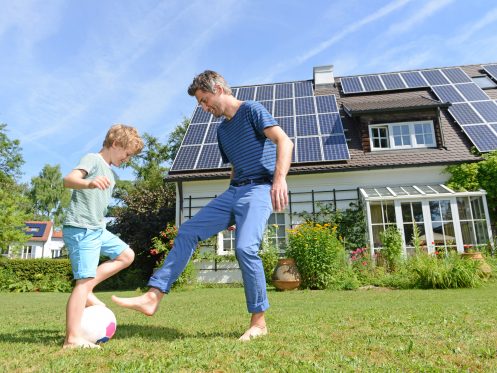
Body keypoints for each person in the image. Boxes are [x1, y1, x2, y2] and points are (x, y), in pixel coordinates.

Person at [112, 70, 293, 341]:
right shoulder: (222, 131)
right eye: (200, 103)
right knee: (187, 231)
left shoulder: (253, 110)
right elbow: (235, 168)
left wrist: (279, 181)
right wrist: (229, 209)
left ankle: (259, 322)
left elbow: (284, 141)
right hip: (235, 192)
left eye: (204, 100)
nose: (203, 107)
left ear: (219, 89)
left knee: (245, 248)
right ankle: (153, 296)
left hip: (260, 188)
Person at [62, 124, 143, 348]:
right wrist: (88, 183)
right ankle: (72, 338)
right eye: (127, 154)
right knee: (83, 281)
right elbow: (68, 179)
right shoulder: (93, 159)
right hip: (81, 228)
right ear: (115, 144)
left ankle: (87, 289)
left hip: (97, 229)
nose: (127, 159)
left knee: (126, 255)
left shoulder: (110, 173)